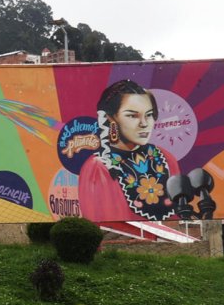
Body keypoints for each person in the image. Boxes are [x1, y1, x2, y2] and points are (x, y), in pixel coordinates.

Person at [77, 79, 179, 222]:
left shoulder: (166, 159)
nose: (144, 124)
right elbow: (107, 225)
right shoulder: (99, 167)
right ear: (111, 118)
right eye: (132, 115)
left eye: (149, 115)